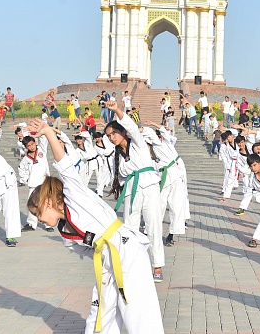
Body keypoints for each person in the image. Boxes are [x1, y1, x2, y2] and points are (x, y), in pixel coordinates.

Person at [25, 119, 164, 333]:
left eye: (37, 213)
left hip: (127, 251)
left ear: (49, 202)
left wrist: (49, 134)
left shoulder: (74, 196)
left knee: (139, 315)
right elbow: (88, 249)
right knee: (99, 317)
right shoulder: (64, 233)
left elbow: (63, 165)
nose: (38, 219)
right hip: (106, 260)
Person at [104, 100, 165, 282]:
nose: (112, 137)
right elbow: (120, 178)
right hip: (131, 192)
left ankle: (157, 266)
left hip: (149, 187)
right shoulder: (116, 156)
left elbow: (130, 123)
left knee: (153, 226)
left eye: (114, 133)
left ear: (123, 132)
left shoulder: (137, 143)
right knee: (129, 229)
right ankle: (130, 263)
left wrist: (117, 110)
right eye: (109, 136)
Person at [18, 133, 53, 232]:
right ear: (25, 147)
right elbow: (21, 169)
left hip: (45, 182)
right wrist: (25, 179)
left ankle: (48, 223)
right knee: (32, 204)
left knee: (47, 204)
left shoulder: (42, 150)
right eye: (28, 146)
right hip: (33, 184)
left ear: (35, 143)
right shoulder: (25, 159)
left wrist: (39, 131)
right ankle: (31, 223)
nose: (31, 147)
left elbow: (44, 139)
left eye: (32, 144)